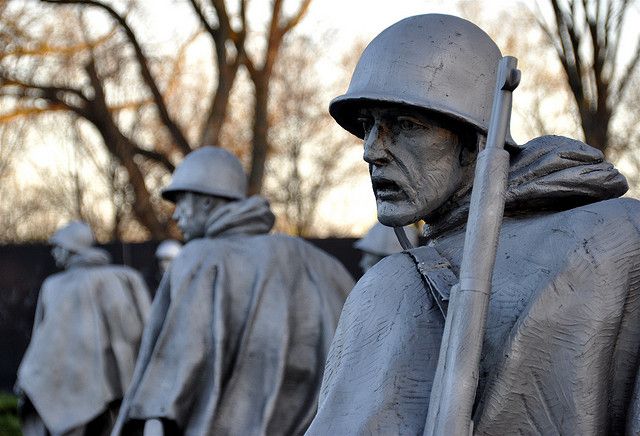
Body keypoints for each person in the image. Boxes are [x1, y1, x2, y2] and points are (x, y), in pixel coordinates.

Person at [306, 14, 640, 435]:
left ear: (475, 139)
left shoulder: (394, 287)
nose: (372, 151)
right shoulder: (630, 230)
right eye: (368, 125)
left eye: (407, 126)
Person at [113, 146, 354, 436]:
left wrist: (151, 419)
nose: (176, 216)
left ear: (205, 202)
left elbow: (176, 368)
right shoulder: (319, 262)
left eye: (182, 202)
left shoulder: (201, 257)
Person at [16, 221, 151, 436]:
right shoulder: (124, 277)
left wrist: (28, 374)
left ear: (72, 248)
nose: (54, 253)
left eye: (58, 247)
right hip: (107, 382)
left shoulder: (56, 285)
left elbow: (41, 340)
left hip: (84, 382)